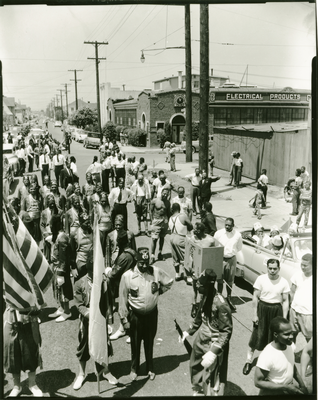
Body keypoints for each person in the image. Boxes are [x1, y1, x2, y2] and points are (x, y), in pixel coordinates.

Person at [118, 247, 173, 381]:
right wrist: (124, 320)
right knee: (135, 344)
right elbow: (122, 299)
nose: (143, 266)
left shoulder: (155, 271)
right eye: (141, 263)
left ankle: (150, 368)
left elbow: (169, 282)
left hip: (151, 315)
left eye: (146, 263)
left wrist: (159, 291)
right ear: (136, 260)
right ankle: (134, 369)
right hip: (135, 316)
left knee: (149, 342)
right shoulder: (127, 276)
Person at [181, 269, 232, 396]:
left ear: (208, 286)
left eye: (201, 285)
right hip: (202, 337)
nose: (197, 286)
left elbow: (226, 331)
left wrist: (214, 352)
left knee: (212, 375)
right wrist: (189, 331)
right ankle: (197, 389)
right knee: (195, 364)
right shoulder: (205, 296)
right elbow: (200, 315)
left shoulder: (221, 304)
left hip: (214, 341)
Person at [72, 248, 118, 390]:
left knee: (103, 345)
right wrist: (89, 314)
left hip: (101, 320)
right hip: (86, 322)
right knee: (83, 347)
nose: (95, 273)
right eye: (93, 270)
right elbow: (79, 305)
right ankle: (82, 373)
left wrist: (109, 321)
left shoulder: (104, 282)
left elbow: (109, 302)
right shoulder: (80, 283)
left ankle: (105, 371)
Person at [242, 259, 290, 376]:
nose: (272, 271)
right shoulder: (261, 279)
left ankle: (269, 365)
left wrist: (283, 319)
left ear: (279, 269)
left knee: (274, 339)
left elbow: (285, 301)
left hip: (276, 310)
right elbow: (255, 298)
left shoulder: (283, 282)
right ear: (267, 268)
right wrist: (255, 315)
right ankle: (248, 361)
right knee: (256, 337)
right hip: (262, 309)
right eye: (270, 268)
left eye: (275, 268)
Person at [254, 316, 307, 396]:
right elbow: (258, 382)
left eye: (291, 333)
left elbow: (291, 364)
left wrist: (302, 385)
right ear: (276, 334)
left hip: (288, 389)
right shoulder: (267, 355)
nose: (291, 337)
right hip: (272, 392)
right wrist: (285, 387)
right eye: (287, 334)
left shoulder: (290, 346)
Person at [3, 305, 43, 397]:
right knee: (12, 353)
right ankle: (17, 386)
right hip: (10, 320)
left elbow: (38, 301)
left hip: (28, 320)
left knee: (30, 352)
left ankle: (32, 384)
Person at [106, 232, 138, 341]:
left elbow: (114, 273)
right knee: (127, 307)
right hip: (133, 282)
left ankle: (130, 332)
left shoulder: (124, 256)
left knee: (125, 308)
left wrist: (108, 272)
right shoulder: (132, 252)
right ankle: (123, 328)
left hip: (126, 284)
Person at [47, 214, 73, 322]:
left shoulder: (62, 237)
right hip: (55, 266)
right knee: (57, 289)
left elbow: (63, 257)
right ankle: (61, 308)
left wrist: (61, 273)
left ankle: (67, 311)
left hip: (61, 268)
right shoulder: (56, 235)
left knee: (63, 290)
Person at [214, 218, 242, 311]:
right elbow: (214, 245)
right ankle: (220, 298)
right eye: (226, 224)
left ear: (233, 225)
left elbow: (239, 247)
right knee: (220, 280)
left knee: (230, 281)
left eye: (229, 225)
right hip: (220, 259)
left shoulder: (237, 235)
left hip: (231, 259)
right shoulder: (219, 233)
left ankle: (229, 298)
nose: (227, 226)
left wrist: (230, 253)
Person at [189, 223, 216, 312]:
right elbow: (190, 252)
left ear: (199, 231)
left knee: (202, 288)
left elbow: (213, 254)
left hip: (205, 268)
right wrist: (190, 264)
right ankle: (193, 305)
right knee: (194, 287)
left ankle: (202, 307)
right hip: (195, 267)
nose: (193, 231)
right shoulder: (193, 238)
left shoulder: (210, 240)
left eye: (195, 229)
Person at [289, 253, 312, 343]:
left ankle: (312, 355)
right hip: (294, 311)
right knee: (291, 335)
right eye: (301, 264)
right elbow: (292, 291)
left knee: (310, 338)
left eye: (305, 265)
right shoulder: (297, 275)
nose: (302, 267)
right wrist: (290, 307)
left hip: (308, 314)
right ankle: (291, 354)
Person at [169, 202, 193, 281]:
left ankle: (177, 275)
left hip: (172, 237)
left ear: (172, 210)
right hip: (180, 238)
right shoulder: (183, 216)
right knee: (185, 257)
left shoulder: (171, 218)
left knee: (175, 257)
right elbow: (190, 227)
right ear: (179, 209)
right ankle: (189, 277)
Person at [70, 212, 93, 283]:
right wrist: (73, 268)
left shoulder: (93, 232)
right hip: (81, 262)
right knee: (80, 283)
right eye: (86, 223)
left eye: (89, 222)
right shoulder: (74, 234)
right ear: (81, 224)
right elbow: (71, 252)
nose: (88, 225)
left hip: (91, 261)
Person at [149, 188, 170, 264]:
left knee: (162, 237)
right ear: (161, 192)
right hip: (156, 220)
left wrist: (168, 222)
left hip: (164, 221)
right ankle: (152, 256)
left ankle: (160, 253)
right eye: (164, 193)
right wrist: (152, 221)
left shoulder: (167, 203)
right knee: (154, 239)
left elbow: (168, 213)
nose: (164, 195)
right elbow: (150, 211)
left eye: (166, 194)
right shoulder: (155, 200)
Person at [91, 192, 112, 256]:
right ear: (100, 200)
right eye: (102, 201)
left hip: (109, 229)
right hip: (101, 230)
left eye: (105, 201)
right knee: (101, 246)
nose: (104, 203)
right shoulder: (96, 207)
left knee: (108, 246)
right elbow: (92, 217)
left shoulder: (110, 207)